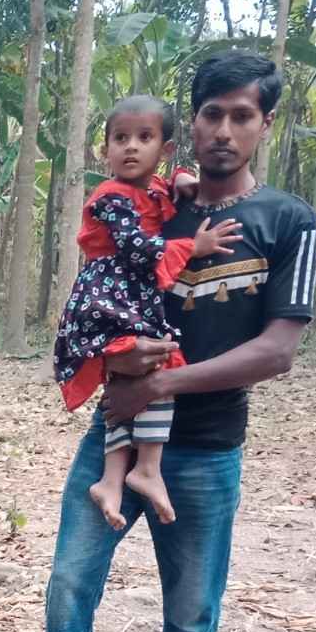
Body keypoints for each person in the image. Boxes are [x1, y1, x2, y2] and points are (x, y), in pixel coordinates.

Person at [10, 53, 316, 632]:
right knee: (67, 585)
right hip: (115, 432)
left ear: (263, 125)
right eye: (211, 114)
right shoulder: (152, 207)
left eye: (241, 116)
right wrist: (118, 370)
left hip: (208, 447)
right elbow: (101, 296)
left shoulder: (288, 222)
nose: (224, 130)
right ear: (188, 132)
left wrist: (157, 382)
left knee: (190, 608)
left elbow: (277, 351)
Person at [51, 95, 242, 530]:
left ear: (166, 148)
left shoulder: (153, 189)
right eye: (120, 138)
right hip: (110, 295)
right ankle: (147, 468)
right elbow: (137, 247)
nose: (131, 147)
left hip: (127, 294)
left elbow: (171, 196)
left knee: (130, 380)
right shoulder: (110, 197)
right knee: (154, 366)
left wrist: (183, 181)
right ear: (105, 150)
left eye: (144, 137)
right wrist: (192, 246)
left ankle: (113, 479)